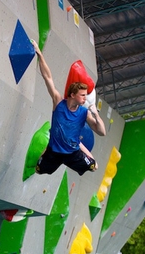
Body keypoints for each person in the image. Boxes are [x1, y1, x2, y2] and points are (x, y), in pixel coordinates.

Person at [31, 39, 106, 176]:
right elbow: (48, 77)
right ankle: (46, 150)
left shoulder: (84, 113)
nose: (85, 98)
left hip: (73, 153)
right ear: (72, 94)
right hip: (54, 152)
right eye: (82, 95)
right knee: (38, 170)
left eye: (85, 95)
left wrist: (96, 114)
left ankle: (82, 153)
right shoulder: (58, 102)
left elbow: (102, 132)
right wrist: (39, 53)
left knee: (94, 167)